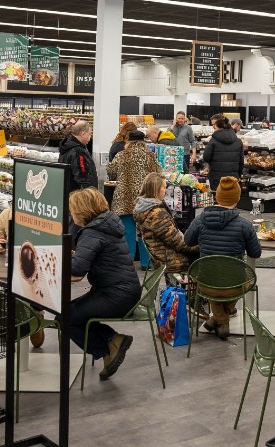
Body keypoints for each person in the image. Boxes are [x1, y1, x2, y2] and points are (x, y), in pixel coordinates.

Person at [68, 188, 142, 380]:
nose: (71, 213)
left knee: (66, 317)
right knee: (69, 313)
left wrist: (54, 258)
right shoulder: (106, 225)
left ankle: (110, 344)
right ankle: (112, 343)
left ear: (82, 210)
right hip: (124, 291)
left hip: (116, 296)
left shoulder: (92, 232)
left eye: (72, 209)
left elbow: (77, 269)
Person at [183, 175, 261, 338]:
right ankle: (223, 320)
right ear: (237, 198)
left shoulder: (199, 221)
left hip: (205, 284)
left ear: (217, 196)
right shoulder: (244, 225)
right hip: (235, 284)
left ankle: (216, 319)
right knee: (243, 280)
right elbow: (256, 253)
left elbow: (187, 242)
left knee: (213, 278)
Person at [107, 129, 163, 265]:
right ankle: (146, 263)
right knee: (145, 232)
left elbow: (111, 172)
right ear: (143, 142)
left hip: (123, 199)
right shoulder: (149, 155)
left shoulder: (121, 155)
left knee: (127, 233)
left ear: (128, 141)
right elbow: (158, 173)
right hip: (144, 200)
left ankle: (127, 262)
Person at [134, 173, 198, 274]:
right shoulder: (156, 214)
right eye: (163, 187)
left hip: (162, 257)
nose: (166, 190)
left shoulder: (143, 208)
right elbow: (178, 243)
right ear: (155, 190)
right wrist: (200, 245)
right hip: (172, 260)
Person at [200, 115, 243, 189]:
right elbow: (241, 162)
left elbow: (206, 157)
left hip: (216, 177)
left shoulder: (213, 140)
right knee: (231, 197)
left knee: (218, 197)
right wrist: (238, 175)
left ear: (218, 126)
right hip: (233, 178)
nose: (213, 128)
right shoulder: (238, 141)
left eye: (214, 126)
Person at [59, 120, 97, 191]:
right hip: (78, 196)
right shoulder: (78, 151)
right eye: (89, 134)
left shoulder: (66, 146)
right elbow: (82, 177)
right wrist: (90, 194)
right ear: (82, 134)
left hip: (67, 193)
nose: (90, 137)